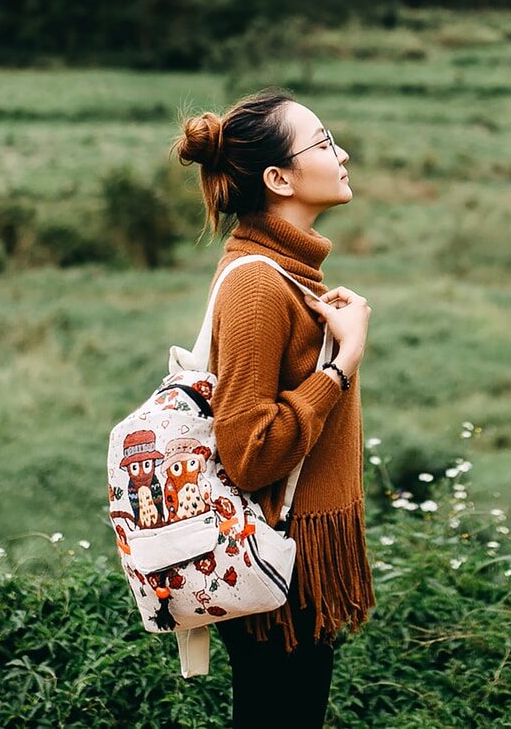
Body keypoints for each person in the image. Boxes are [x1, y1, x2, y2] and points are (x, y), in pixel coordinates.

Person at [171, 87, 375, 729]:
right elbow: (249, 452)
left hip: (294, 554)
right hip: (275, 552)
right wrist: (343, 363)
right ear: (278, 176)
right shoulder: (258, 283)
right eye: (322, 143)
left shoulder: (287, 273)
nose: (341, 154)